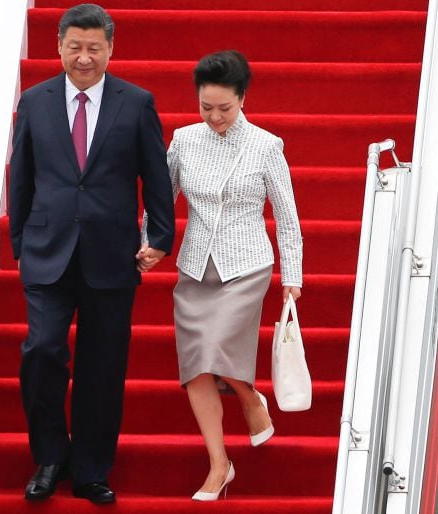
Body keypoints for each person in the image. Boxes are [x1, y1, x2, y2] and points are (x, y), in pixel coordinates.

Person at [8, 3, 175, 505]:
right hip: (47, 250)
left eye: (94, 48)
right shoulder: (34, 102)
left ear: (110, 49)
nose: (84, 57)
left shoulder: (136, 102)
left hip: (111, 254)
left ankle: (91, 468)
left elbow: (156, 176)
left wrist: (160, 238)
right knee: (42, 350)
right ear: (58, 46)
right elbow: (21, 176)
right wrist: (20, 244)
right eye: (75, 47)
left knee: (104, 365)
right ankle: (50, 456)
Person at [141, 50, 303, 501]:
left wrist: (293, 274)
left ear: (243, 99)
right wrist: (148, 242)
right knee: (195, 366)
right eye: (206, 107)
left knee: (215, 350)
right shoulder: (184, 140)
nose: (214, 117)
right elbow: (161, 200)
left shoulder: (267, 146)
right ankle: (219, 465)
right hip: (195, 266)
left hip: (246, 264)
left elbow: (287, 217)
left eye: (224, 108)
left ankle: (250, 400)